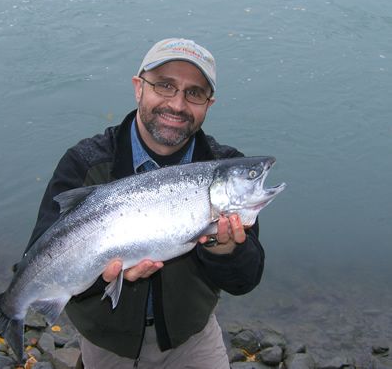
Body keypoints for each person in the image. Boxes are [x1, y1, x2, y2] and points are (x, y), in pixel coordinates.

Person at [24, 38, 265, 369]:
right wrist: (98, 276)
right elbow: (42, 253)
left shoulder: (226, 166)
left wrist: (224, 252)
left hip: (191, 339)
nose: (178, 104)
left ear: (209, 104)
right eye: (165, 86)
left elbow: (245, 280)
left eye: (194, 93)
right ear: (139, 88)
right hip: (106, 342)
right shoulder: (86, 162)